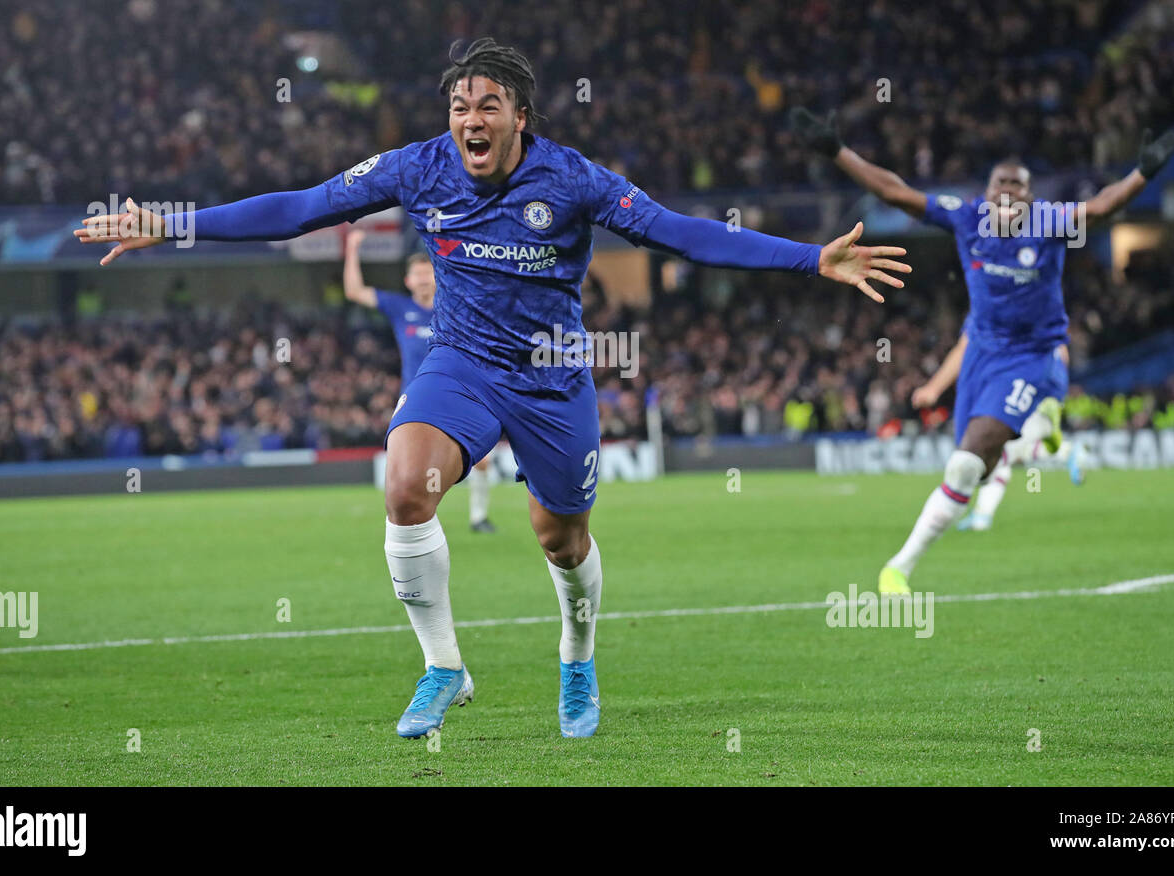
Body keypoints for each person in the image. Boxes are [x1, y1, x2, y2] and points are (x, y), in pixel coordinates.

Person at [79, 38, 910, 739]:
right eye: (459, 106)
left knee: (560, 539)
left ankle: (577, 657)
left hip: (551, 378)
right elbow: (302, 207)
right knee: (404, 486)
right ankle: (445, 668)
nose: (470, 121)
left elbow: (682, 235)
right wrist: (173, 223)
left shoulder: (574, 180)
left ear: (521, 116)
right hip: (462, 364)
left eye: (488, 106)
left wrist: (810, 257)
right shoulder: (418, 168)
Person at [790, 105, 1174, 593]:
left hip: (1033, 358)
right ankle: (1045, 432)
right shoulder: (966, 217)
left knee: (966, 461)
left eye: (1017, 186)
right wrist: (837, 151)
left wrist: (1142, 173)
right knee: (980, 467)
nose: (1007, 193)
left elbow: (1100, 209)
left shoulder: (1051, 223)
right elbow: (895, 191)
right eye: (1000, 185)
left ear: (1030, 197)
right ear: (987, 192)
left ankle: (898, 568)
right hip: (980, 356)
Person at [344, 238, 496, 532]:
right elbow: (354, 291)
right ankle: (404, 518)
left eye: (429, 273)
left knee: (483, 461)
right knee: (407, 464)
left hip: (457, 392)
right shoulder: (399, 307)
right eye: (418, 274)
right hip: (414, 398)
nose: (424, 279)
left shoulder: (454, 307)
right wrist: (352, 250)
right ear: (408, 280)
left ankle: (479, 518)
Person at [910, 321, 1084, 533]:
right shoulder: (1037, 306)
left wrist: (933, 388)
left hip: (1008, 388)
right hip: (1026, 387)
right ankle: (1064, 451)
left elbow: (963, 349)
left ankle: (982, 516)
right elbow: (1060, 351)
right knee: (1004, 452)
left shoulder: (992, 308)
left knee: (997, 453)